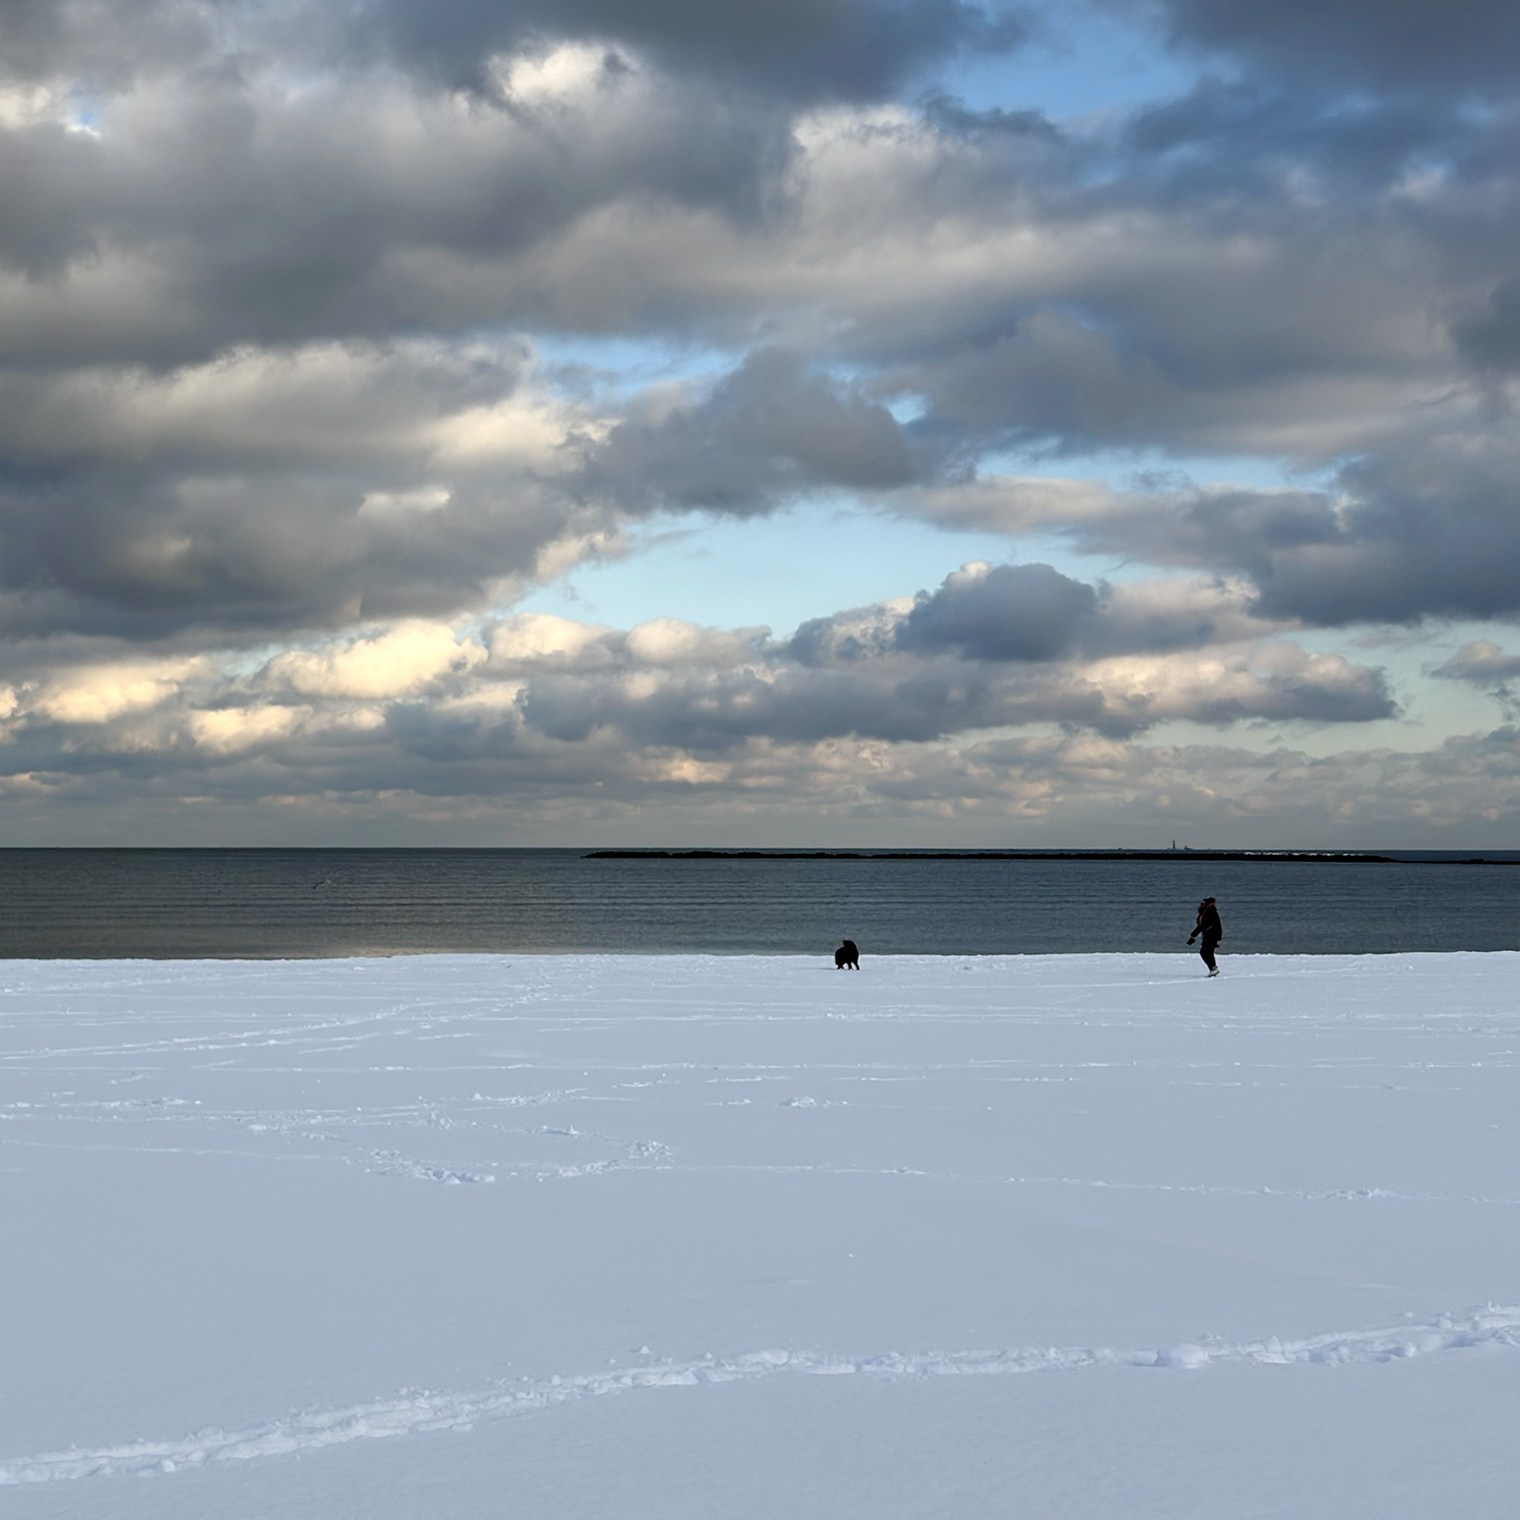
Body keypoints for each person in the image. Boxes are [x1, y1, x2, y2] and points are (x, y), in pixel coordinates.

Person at [1187, 897, 1222, 976]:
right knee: (1206, 952)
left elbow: (1205, 925)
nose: (1201, 905)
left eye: (1203, 904)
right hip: (1208, 935)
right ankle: (1213, 969)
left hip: (1212, 936)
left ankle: (1213, 968)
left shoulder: (1211, 912)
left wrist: (1193, 935)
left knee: (1206, 952)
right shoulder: (1206, 912)